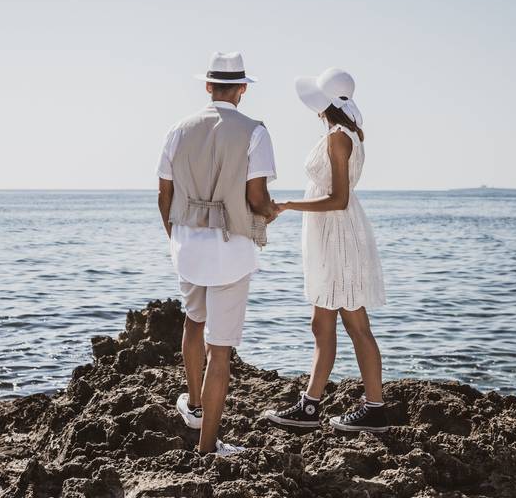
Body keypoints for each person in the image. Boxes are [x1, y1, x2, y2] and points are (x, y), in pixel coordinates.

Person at [157, 51, 278, 455]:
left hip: (188, 247)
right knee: (220, 349)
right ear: (242, 90)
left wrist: (175, 238)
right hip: (231, 251)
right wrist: (271, 212)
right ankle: (207, 448)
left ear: (208, 86)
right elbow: (257, 198)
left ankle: (193, 406)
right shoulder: (255, 132)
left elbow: (164, 194)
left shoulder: (178, 129)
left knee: (193, 323)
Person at [263, 67, 387, 432]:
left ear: (323, 104)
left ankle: (367, 408)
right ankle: (313, 405)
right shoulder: (348, 132)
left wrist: (286, 205)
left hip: (337, 237)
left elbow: (338, 199)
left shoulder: (337, 136)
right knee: (325, 323)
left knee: (353, 323)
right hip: (334, 236)